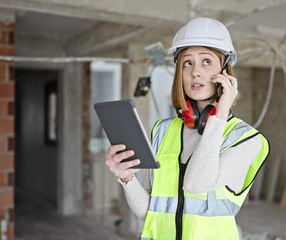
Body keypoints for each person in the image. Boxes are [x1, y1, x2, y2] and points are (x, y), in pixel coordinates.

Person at [105, 17, 269, 240]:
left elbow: (196, 183)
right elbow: (150, 213)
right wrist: (127, 179)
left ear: (225, 72)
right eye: (187, 63)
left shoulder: (247, 139)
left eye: (206, 61)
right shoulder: (162, 131)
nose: (195, 72)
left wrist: (219, 115)